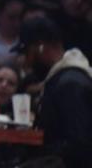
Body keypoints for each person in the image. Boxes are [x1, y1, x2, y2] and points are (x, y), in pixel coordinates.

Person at [13, 16, 92, 168]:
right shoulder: (62, 80)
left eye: (26, 52)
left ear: (40, 47)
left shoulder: (70, 83)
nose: (26, 61)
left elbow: (80, 146)